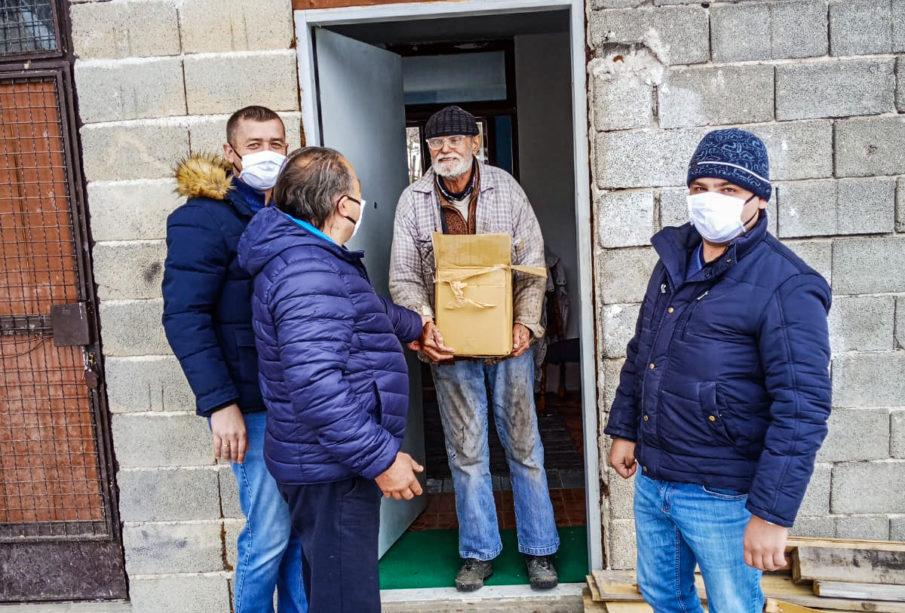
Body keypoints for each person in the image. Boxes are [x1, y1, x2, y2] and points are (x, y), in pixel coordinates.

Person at [605, 128, 832, 612]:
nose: (711, 200)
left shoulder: (787, 284)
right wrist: (625, 429)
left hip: (722, 494)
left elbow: (802, 408)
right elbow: (642, 350)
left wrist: (771, 514)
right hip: (655, 480)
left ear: (759, 199)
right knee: (664, 595)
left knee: (733, 605)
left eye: (728, 190)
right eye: (699, 188)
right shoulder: (672, 261)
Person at [237, 147, 441, 613]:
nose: (360, 207)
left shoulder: (310, 257)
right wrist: (382, 459)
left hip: (325, 463)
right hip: (333, 468)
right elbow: (317, 390)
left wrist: (415, 328)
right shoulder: (308, 271)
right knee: (347, 600)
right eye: (358, 197)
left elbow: (356, 306)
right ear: (341, 205)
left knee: (331, 591)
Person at [389, 105, 559, 591]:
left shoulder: (507, 189)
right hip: (451, 349)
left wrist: (526, 324)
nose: (445, 150)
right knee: (466, 453)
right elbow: (403, 276)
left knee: (524, 448)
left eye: (455, 141)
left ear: (475, 143)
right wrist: (425, 327)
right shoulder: (413, 200)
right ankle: (479, 553)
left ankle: (541, 550)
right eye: (436, 143)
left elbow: (533, 265)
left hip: (509, 345)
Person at [162, 106, 306, 613]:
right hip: (251, 405)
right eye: (255, 144)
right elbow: (185, 316)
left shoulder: (289, 212)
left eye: (276, 143)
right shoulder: (203, 217)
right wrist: (221, 404)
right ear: (230, 153)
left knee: (297, 538)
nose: (268, 153)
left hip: (295, 400)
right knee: (267, 537)